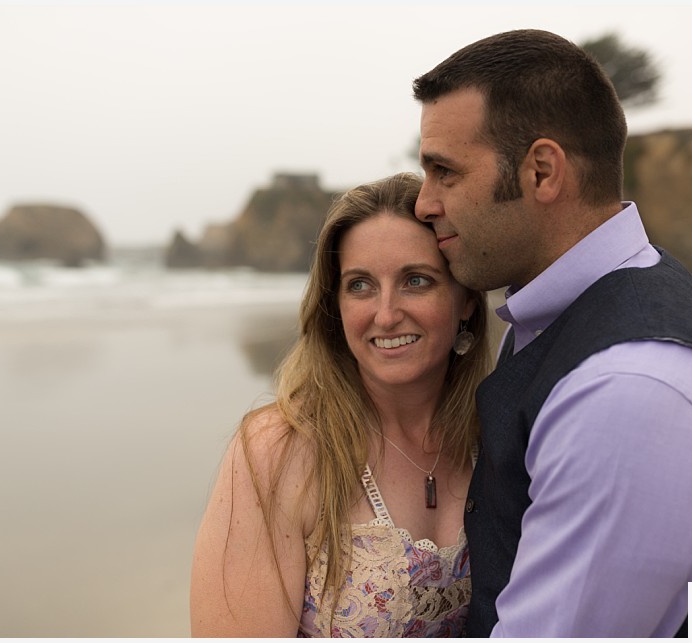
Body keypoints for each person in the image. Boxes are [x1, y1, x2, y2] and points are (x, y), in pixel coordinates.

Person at [412, 29, 692, 638]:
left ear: (541, 171)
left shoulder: (627, 397)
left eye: (444, 172)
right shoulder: (580, 305)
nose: (424, 203)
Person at [189, 172, 492, 637]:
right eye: (360, 285)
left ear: (466, 300)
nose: (386, 314)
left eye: (416, 280)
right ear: (335, 304)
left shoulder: (498, 435)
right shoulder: (280, 452)